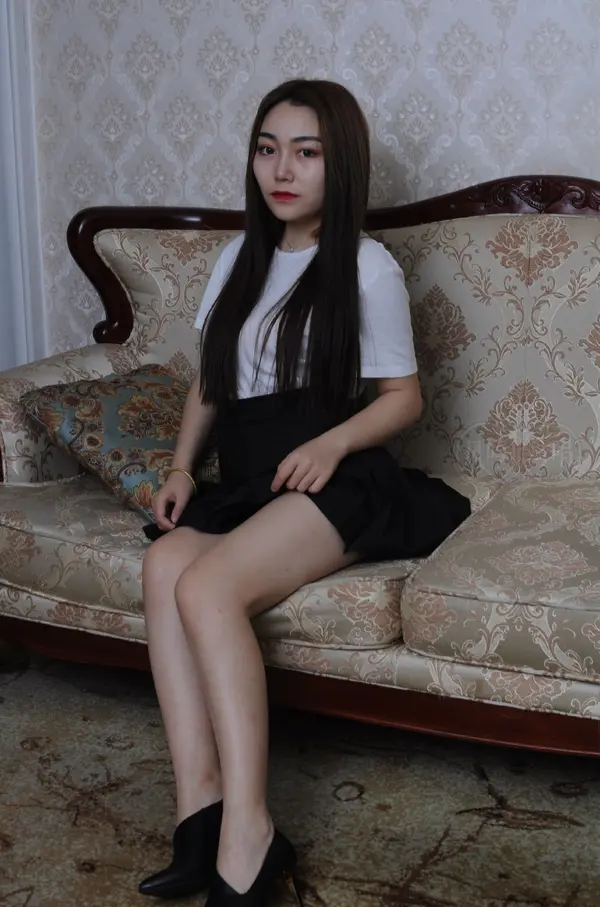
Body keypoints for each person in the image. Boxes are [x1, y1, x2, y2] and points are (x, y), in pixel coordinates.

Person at [139, 78, 471, 907]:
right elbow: (211, 383)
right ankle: (199, 813)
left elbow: (404, 398)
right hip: (251, 477)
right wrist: (180, 467)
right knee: (162, 567)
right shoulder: (236, 260)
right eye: (267, 148)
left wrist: (332, 441)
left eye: (306, 152)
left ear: (340, 163)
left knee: (207, 586)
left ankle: (250, 833)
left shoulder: (366, 265)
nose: (281, 169)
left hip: (335, 474)